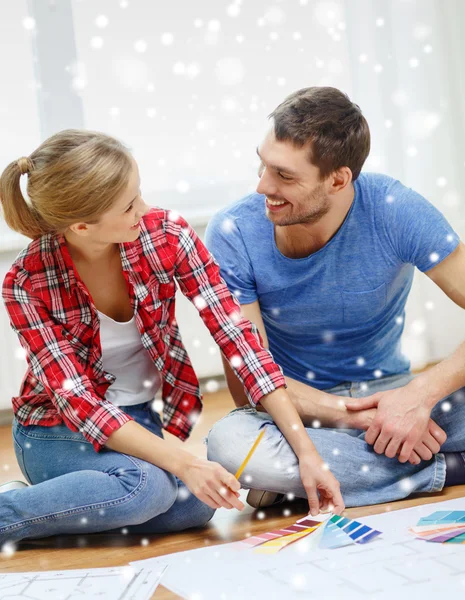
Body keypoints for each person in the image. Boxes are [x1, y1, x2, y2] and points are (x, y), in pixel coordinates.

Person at [0, 129, 344, 550]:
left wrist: (306, 452)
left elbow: (239, 341)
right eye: (129, 205)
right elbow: (81, 405)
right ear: (82, 225)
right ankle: (12, 511)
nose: (144, 210)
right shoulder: (26, 282)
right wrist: (185, 463)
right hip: (56, 432)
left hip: (136, 420)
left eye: (139, 194)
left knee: (197, 507)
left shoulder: (167, 234)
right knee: (148, 489)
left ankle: (59, 509)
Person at [205, 86, 465, 509]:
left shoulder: (395, 208)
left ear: (339, 179)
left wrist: (418, 397)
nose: (262, 186)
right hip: (293, 412)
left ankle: (314, 479)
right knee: (231, 447)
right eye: (263, 165)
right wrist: (354, 415)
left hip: (395, 395)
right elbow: (247, 379)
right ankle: (448, 468)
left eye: (284, 176)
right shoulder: (233, 232)